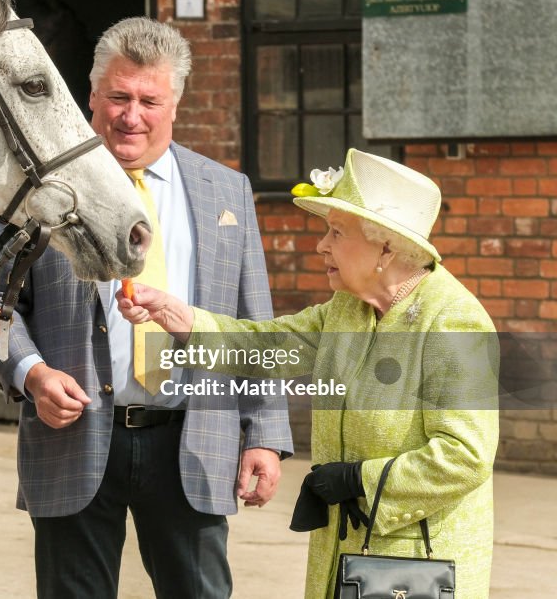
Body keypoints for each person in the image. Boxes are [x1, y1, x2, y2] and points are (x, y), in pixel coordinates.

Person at [0, 17, 293, 599]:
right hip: (73, 438)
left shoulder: (227, 191)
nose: (131, 115)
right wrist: (32, 373)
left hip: (192, 440)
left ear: (175, 103)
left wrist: (265, 435)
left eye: (150, 100)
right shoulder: (40, 188)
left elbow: (255, 324)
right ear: (91, 95)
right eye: (118, 97)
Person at [120, 149, 499, 599]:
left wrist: (359, 481)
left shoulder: (454, 321)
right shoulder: (348, 309)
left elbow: (465, 455)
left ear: (386, 247)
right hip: (347, 553)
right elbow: (265, 347)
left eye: (336, 232)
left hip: (420, 565)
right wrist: (178, 316)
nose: (321, 245)